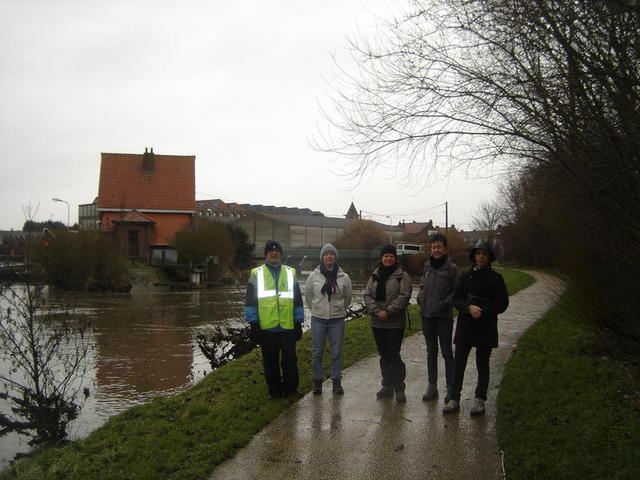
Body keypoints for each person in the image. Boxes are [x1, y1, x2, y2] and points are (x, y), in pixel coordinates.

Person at [443, 241, 509, 416]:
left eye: (484, 254)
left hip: (486, 325)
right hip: (466, 324)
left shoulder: (496, 279)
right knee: (459, 363)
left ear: (489, 257)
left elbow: (502, 303)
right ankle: (454, 398)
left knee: (482, 364)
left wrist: (483, 310)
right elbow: (456, 298)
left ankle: (480, 399)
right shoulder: (465, 277)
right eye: (478, 253)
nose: (481, 257)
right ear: (474, 256)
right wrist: (468, 308)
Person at [245, 240, 304, 399]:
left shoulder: (291, 272)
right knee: (270, 363)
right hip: (266, 327)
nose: (274, 253)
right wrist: (253, 323)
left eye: (277, 250)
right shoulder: (256, 273)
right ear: (266, 254)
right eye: (271, 251)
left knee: (290, 361)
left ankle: (291, 389)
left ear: (281, 254)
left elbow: (297, 299)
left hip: (287, 326)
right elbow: (250, 301)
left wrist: (298, 322)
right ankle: (275, 391)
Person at [363, 244, 413, 403]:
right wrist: (377, 312)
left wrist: (388, 312)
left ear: (395, 258)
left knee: (393, 354)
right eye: (386, 256)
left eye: (391, 256)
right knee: (384, 355)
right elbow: (367, 295)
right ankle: (387, 385)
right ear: (381, 258)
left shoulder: (402, 276)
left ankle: (399, 387)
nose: (388, 258)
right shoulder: (374, 275)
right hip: (377, 323)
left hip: (395, 323)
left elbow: (404, 296)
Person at [416, 233, 460, 402]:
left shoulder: (452, 269)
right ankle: (432, 387)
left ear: (445, 248)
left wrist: (445, 303)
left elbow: (457, 291)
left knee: (447, 352)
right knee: (431, 353)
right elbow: (421, 286)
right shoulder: (427, 267)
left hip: (443, 317)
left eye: (439, 246)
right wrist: (420, 298)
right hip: (427, 316)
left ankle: (450, 388)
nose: (436, 250)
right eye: (433, 247)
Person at [305, 243, 353, 395]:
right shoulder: (313, 276)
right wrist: (316, 309)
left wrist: (339, 309)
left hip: (337, 319)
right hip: (318, 319)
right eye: (326, 254)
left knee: (336, 352)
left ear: (335, 257)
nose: (329, 256)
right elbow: (308, 296)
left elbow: (348, 297)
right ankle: (317, 382)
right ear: (322, 257)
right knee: (317, 352)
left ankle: (336, 382)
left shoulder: (344, 277)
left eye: (332, 254)